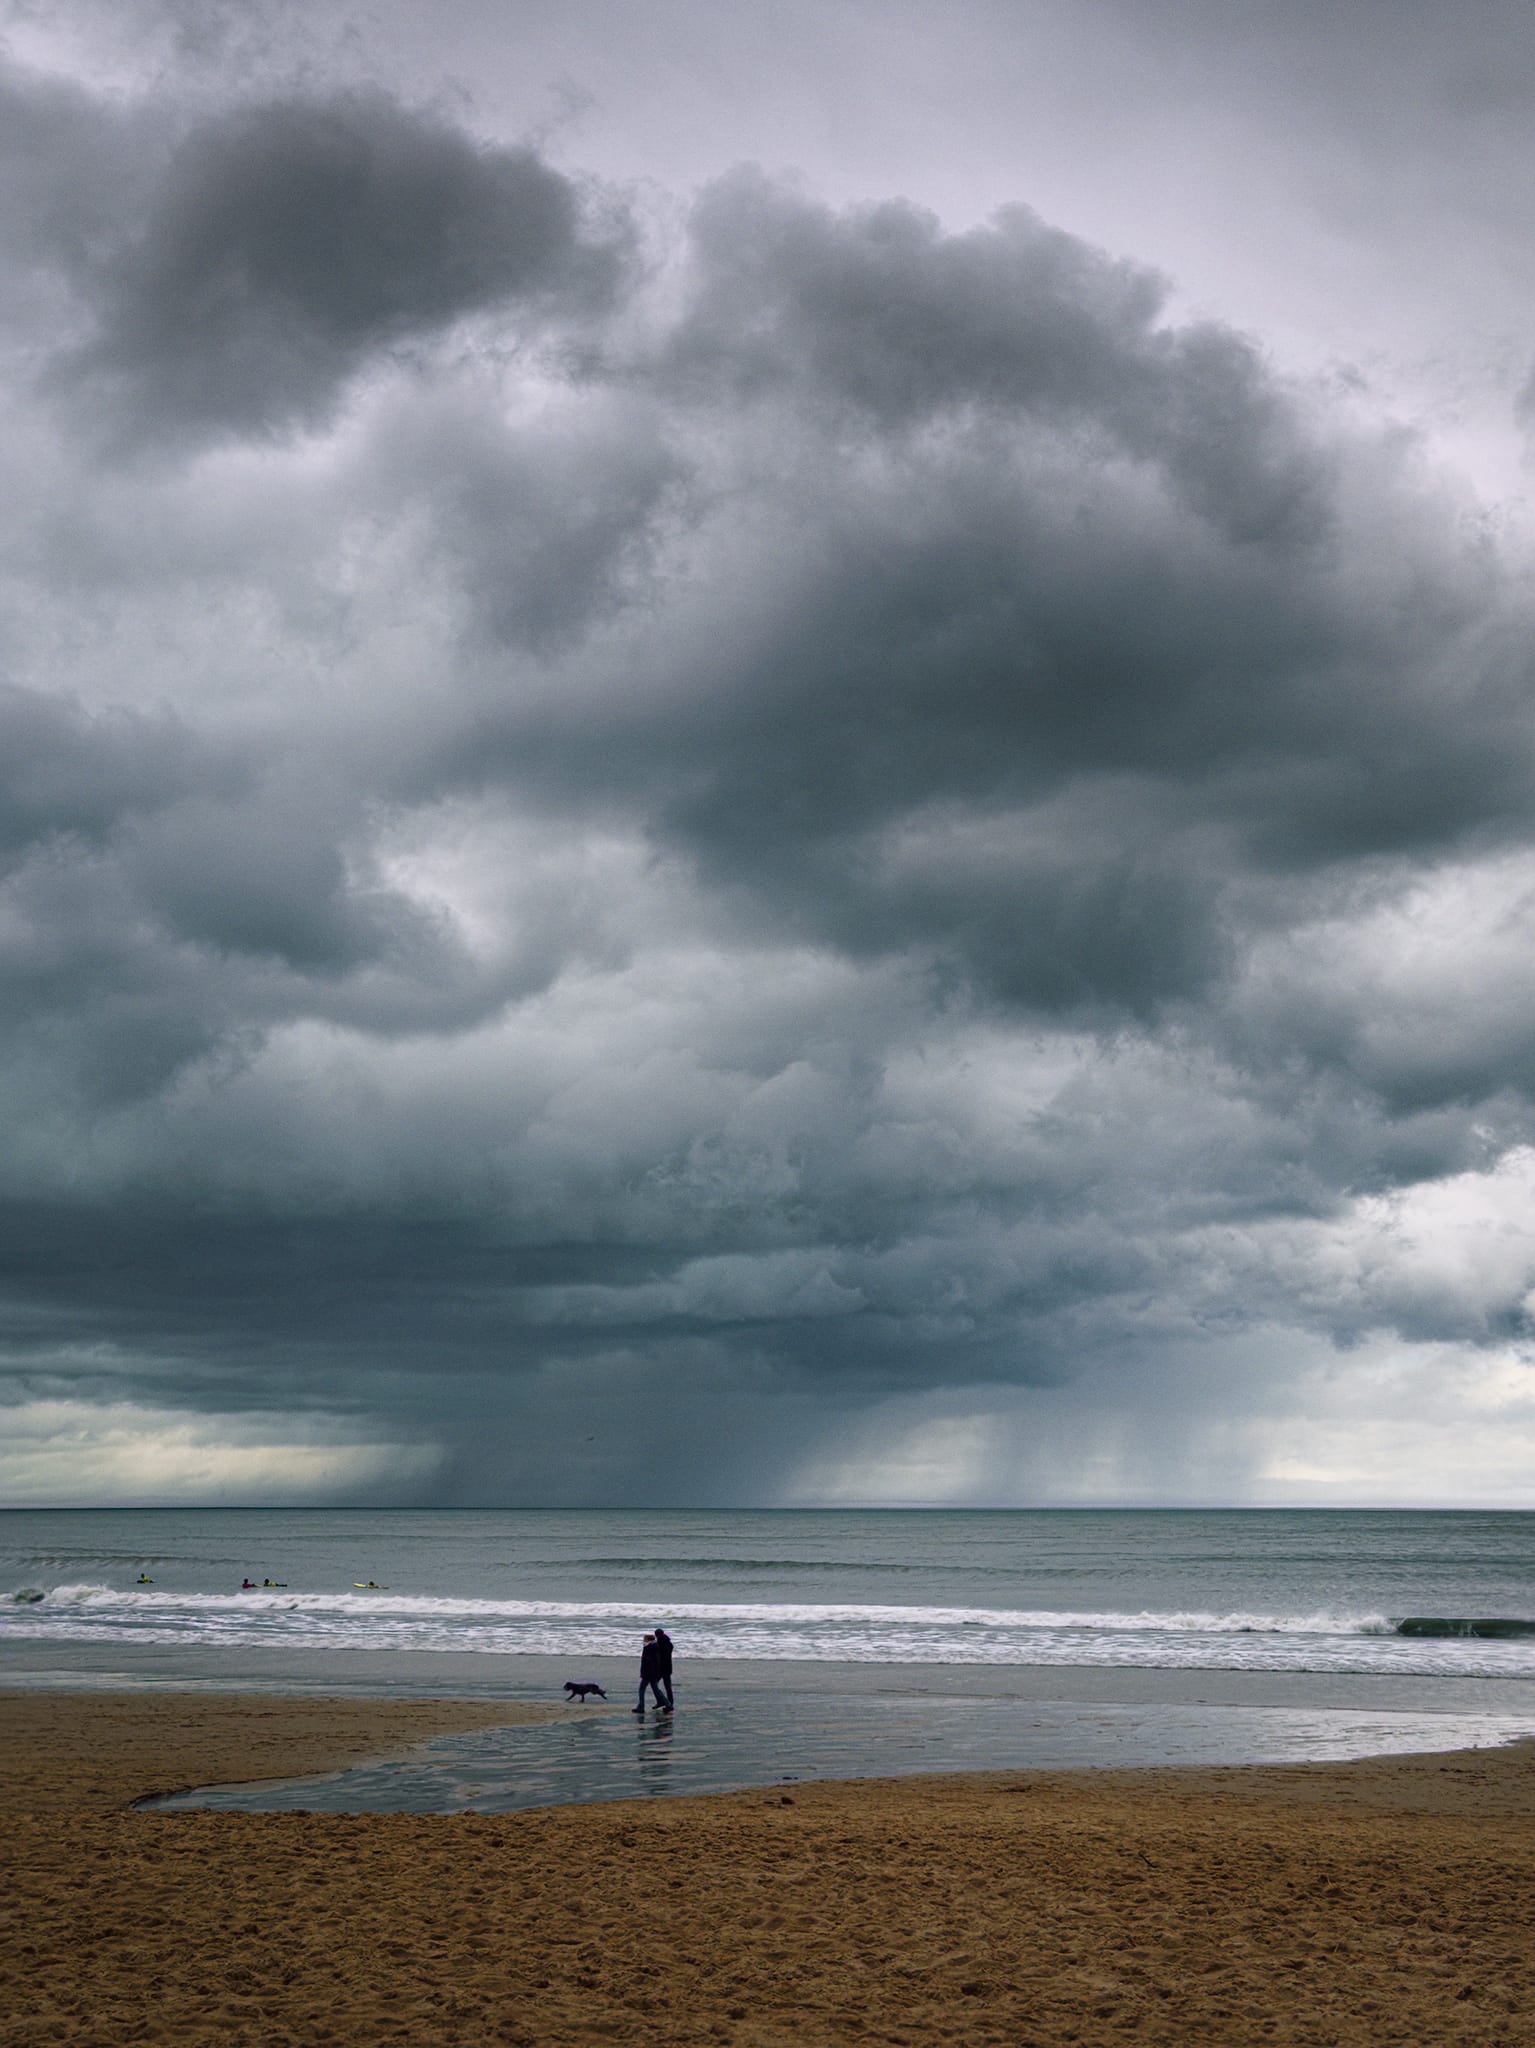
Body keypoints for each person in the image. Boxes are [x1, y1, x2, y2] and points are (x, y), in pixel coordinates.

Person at [633, 1632, 667, 1713]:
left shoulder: (649, 1648)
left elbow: (649, 1662)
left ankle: (641, 1707)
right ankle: (667, 1704)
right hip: (653, 1672)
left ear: (648, 1639)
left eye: (644, 1639)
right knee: (655, 1689)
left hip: (648, 1673)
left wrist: (645, 1673)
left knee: (642, 1689)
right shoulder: (654, 1647)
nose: (643, 1640)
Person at [653, 1625, 674, 1710]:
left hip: (661, 1668)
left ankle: (661, 1701)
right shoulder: (669, 1643)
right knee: (668, 1687)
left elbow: (658, 1657)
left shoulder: (659, 1643)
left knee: (654, 1685)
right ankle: (670, 1703)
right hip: (668, 1667)